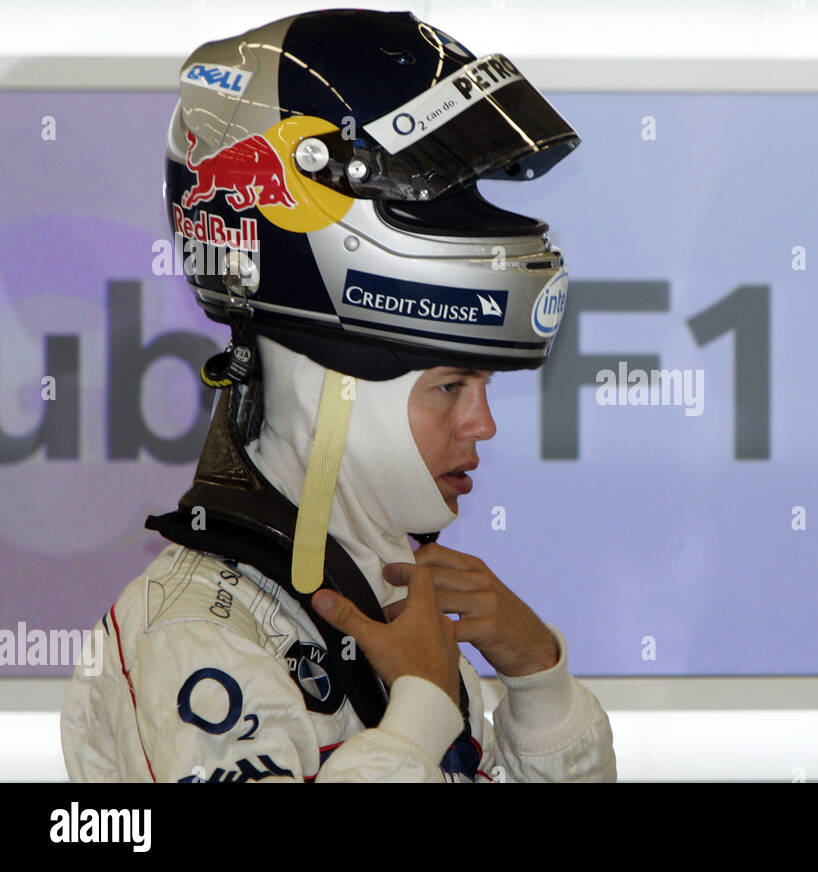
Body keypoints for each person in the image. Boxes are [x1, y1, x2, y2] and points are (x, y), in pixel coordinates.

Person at [59, 8, 616, 782]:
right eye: (449, 387)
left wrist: (538, 679)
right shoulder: (188, 629)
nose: (482, 426)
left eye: (480, 387)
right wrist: (421, 705)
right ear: (329, 390)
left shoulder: (388, 572)